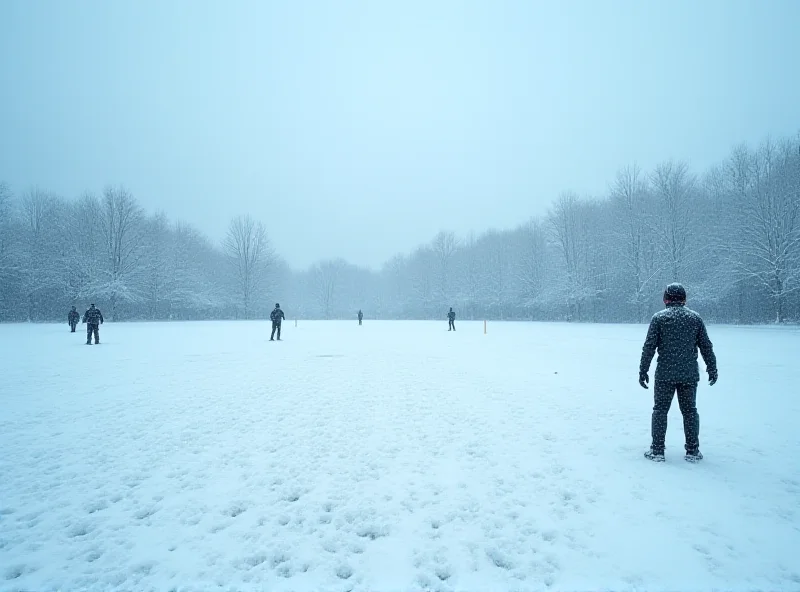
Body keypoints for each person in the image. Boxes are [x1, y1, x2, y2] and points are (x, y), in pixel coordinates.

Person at [639, 283, 718, 463]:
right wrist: (711, 367)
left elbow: (649, 347)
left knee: (660, 410)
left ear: (666, 298)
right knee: (690, 411)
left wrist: (643, 369)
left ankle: (657, 450)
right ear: (684, 299)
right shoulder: (694, 319)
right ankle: (692, 450)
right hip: (689, 374)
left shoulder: (659, 319)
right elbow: (706, 346)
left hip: (665, 374)